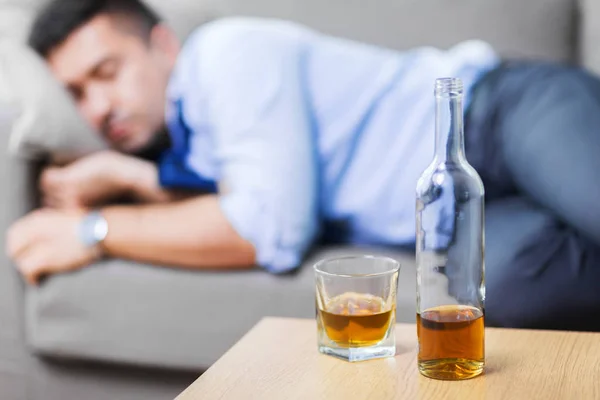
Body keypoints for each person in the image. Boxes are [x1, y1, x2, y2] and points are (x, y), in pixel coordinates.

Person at [6, 0, 600, 331]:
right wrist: (130, 176)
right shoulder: (186, 145)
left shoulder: (225, 54)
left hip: (497, 116)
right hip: (463, 216)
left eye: (106, 72)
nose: (98, 107)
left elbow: (272, 230)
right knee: (517, 294)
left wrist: (94, 232)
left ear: (163, 45)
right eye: (77, 93)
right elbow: (237, 192)